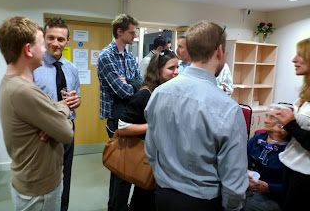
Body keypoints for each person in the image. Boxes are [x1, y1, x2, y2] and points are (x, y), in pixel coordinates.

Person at [145, 21, 248, 211]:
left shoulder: (159, 93)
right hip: (203, 202)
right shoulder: (229, 109)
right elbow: (234, 179)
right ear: (219, 51)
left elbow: (151, 149)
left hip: (162, 195)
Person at [0, 16, 73, 211]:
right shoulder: (24, 90)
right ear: (28, 50)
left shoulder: (16, 82)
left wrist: (54, 114)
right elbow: (66, 132)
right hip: (40, 188)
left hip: (33, 180)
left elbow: (53, 110)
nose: (46, 48)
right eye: (42, 43)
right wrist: (62, 109)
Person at [117, 50, 178, 211]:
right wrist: (153, 127)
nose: (176, 72)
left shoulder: (171, 92)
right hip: (147, 161)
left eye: (177, 67)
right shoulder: (145, 94)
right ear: (158, 70)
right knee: (144, 198)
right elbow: (122, 127)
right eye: (171, 68)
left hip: (166, 162)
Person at [33, 17, 81, 211]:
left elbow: (76, 98)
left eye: (60, 39)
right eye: (51, 37)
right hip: (42, 133)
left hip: (68, 129)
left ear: (67, 40)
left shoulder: (72, 68)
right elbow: (28, 105)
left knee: (65, 177)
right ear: (44, 37)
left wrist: (78, 101)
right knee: (43, 181)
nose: (55, 43)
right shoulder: (33, 67)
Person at [96, 14, 143, 211]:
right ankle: (117, 207)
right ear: (120, 32)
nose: (135, 36)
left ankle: (115, 206)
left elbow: (141, 84)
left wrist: (131, 83)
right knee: (122, 169)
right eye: (132, 32)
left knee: (123, 169)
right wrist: (133, 85)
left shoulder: (130, 56)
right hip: (116, 120)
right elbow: (122, 91)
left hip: (130, 116)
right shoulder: (106, 56)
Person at [275, 38, 310, 211]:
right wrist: (288, 132)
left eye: (300, 54)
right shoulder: (305, 94)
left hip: (305, 175)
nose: (293, 59)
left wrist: (291, 126)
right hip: (292, 166)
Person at [244, 104, 291, 211]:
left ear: (284, 124)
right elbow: (241, 159)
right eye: (266, 116)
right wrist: (245, 171)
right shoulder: (258, 138)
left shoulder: (289, 149)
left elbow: (291, 187)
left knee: (245, 206)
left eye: (272, 118)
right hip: (248, 185)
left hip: (272, 196)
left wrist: (269, 188)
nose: (265, 121)